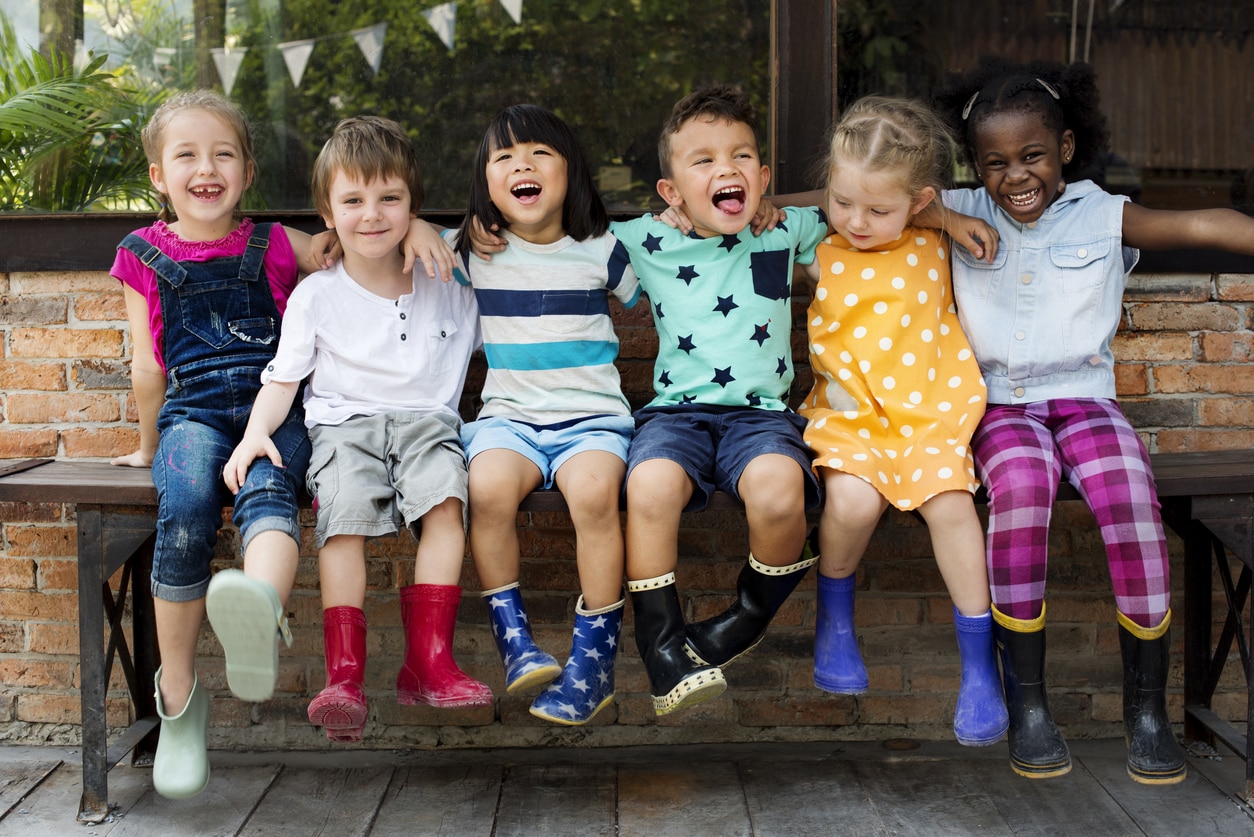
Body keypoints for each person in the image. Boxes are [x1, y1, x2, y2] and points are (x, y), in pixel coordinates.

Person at [933, 55, 1254, 783]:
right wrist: (940, 212)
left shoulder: (1104, 212)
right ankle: (1032, 706)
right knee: (1019, 488)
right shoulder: (961, 208)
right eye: (995, 163)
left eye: (1033, 156)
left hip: (1086, 399)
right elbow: (860, 195)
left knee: (1131, 498)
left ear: (1067, 149)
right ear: (975, 166)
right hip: (998, 407)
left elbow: (1203, 220)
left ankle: (1146, 711)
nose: (1015, 176)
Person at [224, 115, 490, 744]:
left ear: (413, 205)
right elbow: (284, 378)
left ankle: (430, 660)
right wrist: (256, 434)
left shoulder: (450, 277)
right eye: (353, 201)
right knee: (341, 524)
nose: (372, 215)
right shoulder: (318, 294)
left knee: (447, 506)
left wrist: (432, 232)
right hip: (345, 427)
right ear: (327, 212)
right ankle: (344, 677)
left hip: (429, 423)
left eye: (390, 199)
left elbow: (506, 232)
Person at [109, 90, 329, 800]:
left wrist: (415, 225)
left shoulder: (279, 245)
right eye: (187, 155)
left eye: (223, 154)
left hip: (275, 409)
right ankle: (178, 698)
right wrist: (150, 446)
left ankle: (257, 610)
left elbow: (355, 245)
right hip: (193, 417)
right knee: (187, 509)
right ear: (157, 176)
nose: (206, 169)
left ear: (249, 171)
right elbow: (148, 365)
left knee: (269, 487)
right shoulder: (140, 253)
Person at [794, 96, 1008, 748]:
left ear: (918, 201)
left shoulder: (935, 240)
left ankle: (979, 667)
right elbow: (757, 204)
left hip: (929, 419)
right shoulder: (815, 247)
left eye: (878, 209)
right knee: (852, 502)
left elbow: (963, 214)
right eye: (843, 201)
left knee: (953, 506)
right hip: (852, 420)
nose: (857, 221)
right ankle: (834, 620)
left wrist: (944, 216)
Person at [448, 104, 640, 725]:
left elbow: (665, 286)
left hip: (592, 420)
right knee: (488, 488)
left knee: (592, 497)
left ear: (570, 173)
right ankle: (515, 641)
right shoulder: (474, 255)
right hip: (510, 419)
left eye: (539, 153)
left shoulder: (603, 250)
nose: (522, 164)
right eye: (503, 157)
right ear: (486, 185)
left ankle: (593, 664)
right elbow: (396, 242)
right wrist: (438, 230)